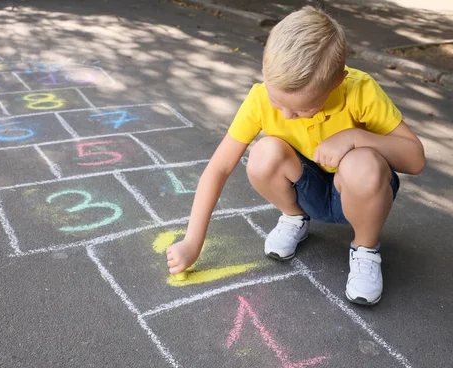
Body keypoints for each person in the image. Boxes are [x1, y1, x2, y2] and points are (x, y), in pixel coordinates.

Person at [165, 5, 426, 305]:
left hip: (359, 193)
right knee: (264, 153)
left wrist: (355, 138)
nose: (288, 116)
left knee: (362, 162)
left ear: (337, 82)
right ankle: (295, 218)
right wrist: (192, 241)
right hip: (307, 190)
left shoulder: (359, 90)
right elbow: (219, 168)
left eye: (303, 108)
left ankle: (365, 248)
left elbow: (415, 159)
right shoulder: (260, 98)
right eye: (278, 102)